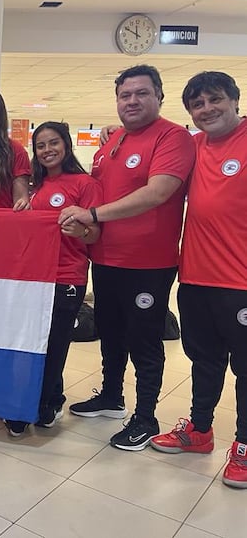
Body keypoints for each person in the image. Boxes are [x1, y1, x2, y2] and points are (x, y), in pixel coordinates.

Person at [59, 64, 196, 451]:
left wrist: (94, 215)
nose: (132, 100)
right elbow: (94, 191)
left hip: (148, 264)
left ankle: (146, 416)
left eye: (141, 93)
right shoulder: (110, 143)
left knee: (145, 340)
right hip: (106, 259)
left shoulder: (172, 137)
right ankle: (112, 396)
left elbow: (158, 193)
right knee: (111, 332)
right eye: (125, 95)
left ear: (159, 96)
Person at [148, 71, 247, 488]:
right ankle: (200, 431)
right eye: (198, 104)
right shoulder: (194, 145)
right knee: (204, 361)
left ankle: (244, 446)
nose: (207, 109)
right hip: (195, 279)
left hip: (241, 281)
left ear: (235, 100)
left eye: (215, 100)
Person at [3, 122, 102, 436]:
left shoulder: (85, 183)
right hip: (36, 277)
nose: (47, 150)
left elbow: (98, 233)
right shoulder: (36, 186)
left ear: (67, 145)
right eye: (41, 145)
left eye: (53, 143)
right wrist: (23, 212)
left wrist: (83, 231)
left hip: (67, 276)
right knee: (33, 341)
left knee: (55, 344)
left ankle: (39, 406)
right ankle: (47, 399)